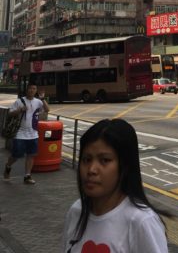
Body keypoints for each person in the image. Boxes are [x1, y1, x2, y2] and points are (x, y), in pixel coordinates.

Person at [62, 118, 168, 252]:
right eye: (86, 159)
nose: (91, 170)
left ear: (125, 166)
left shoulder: (141, 222)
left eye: (104, 160)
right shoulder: (76, 211)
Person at [3, 83, 49, 185]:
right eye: (30, 88)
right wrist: (19, 110)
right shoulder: (19, 101)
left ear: (36, 90)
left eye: (34, 88)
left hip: (33, 134)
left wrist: (42, 99)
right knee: (16, 155)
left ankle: (27, 176)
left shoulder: (38, 101)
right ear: (27, 90)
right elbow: (10, 113)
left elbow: (47, 110)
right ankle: (8, 166)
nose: (32, 90)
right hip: (20, 133)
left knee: (31, 155)